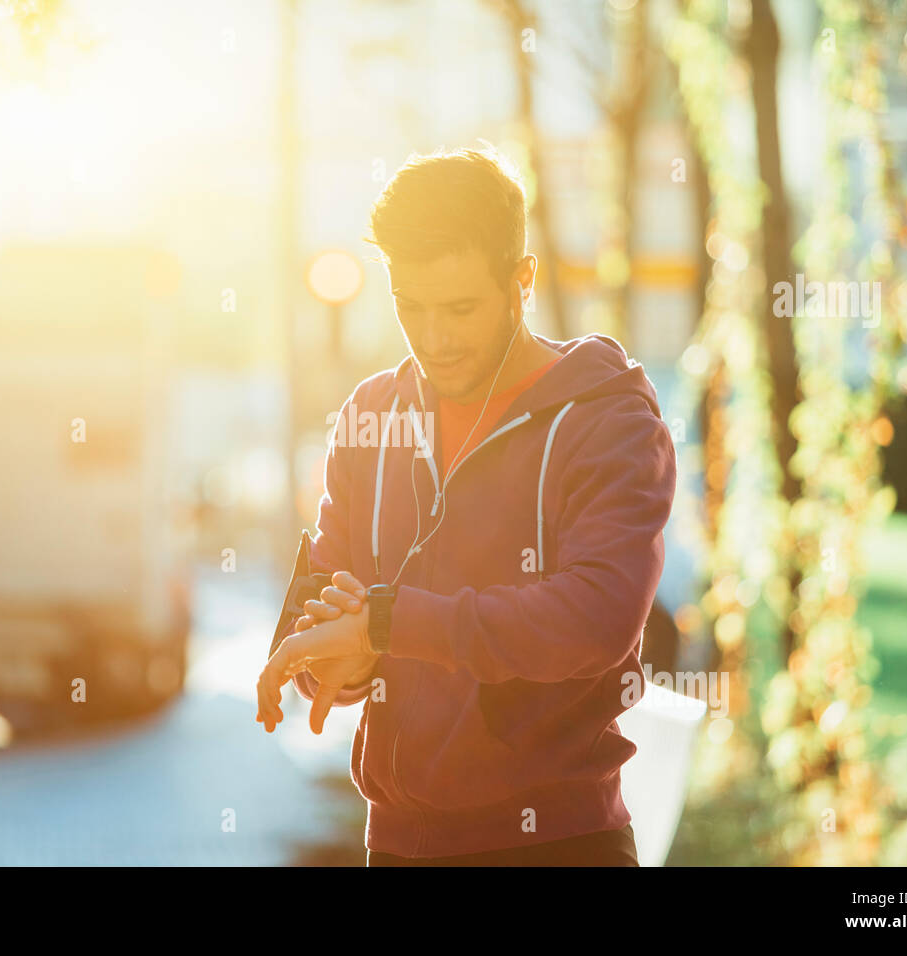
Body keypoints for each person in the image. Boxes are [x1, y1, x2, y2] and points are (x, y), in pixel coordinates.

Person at [256, 145, 676, 866]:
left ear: (523, 281)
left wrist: (387, 622)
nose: (435, 339)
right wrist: (336, 661)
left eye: (460, 308)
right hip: (394, 846)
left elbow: (595, 619)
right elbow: (326, 601)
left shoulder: (607, 422)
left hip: (561, 845)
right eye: (410, 308)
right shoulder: (371, 415)